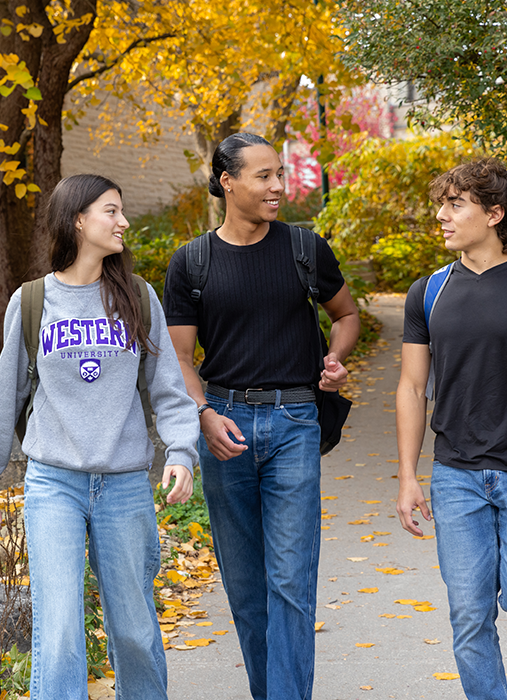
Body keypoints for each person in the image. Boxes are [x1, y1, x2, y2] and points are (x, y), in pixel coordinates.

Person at [0, 174, 199, 700]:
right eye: (111, 211)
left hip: (123, 487)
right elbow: (4, 395)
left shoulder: (137, 297)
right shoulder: (31, 303)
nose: (123, 222)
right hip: (54, 486)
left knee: (135, 631)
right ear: (78, 220)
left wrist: (182, 451)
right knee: (60, 631)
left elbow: (167, 389)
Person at [162, 132, 360, 700]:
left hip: (296, 420)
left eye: (281, 174)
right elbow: (179, 358)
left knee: (291, 582)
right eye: (264, 176)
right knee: (247, 587)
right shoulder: (192, 262)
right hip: (224, 426)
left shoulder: (304, 248)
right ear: (228, 182)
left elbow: (345, 315)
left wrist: (335, 359)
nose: (278, 186)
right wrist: (202, 414)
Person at [396, 159, 507, 700]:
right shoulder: (426, 292)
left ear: (494, 214)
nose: (441, 216)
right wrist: (408, 476)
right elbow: (411, 389)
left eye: (456, 205)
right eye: (442, 203)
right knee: (469, 615)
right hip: (455, 477)